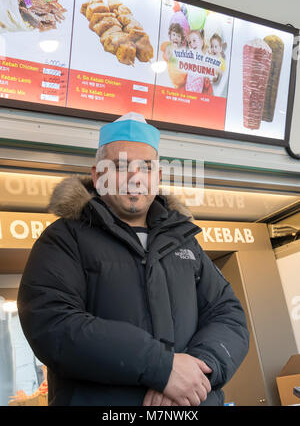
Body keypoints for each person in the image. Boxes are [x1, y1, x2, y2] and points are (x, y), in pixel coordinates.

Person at [17, 112, 249, 406]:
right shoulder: (64, 239)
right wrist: (161, 368)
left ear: (158, 177)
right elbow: (52, 322)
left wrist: (199, 369)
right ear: (98, 175)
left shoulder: (185, 242)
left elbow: (228, 315)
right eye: (120, 166)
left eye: (146, 167)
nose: (135, 177)